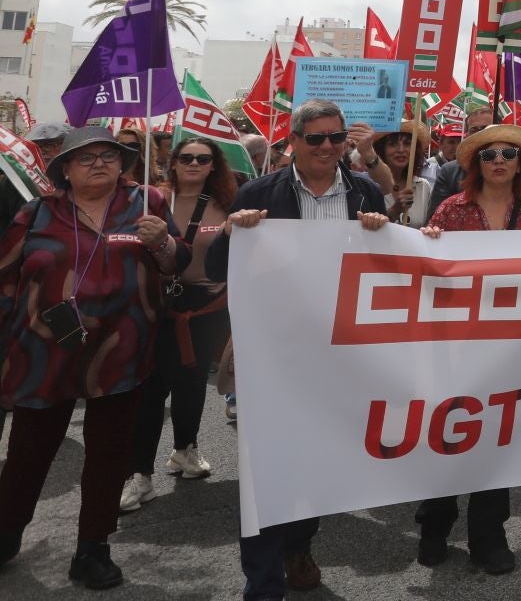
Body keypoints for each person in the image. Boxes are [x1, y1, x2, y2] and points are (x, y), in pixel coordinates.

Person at [208, 100, 392, 601]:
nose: (327, 147)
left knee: (315, 460)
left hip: (340, 354)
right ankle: (262, 581)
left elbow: (390, 268)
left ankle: (298, 545)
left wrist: (383, 234)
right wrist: (231, 231)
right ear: (293, 141)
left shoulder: (365, 192)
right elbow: (219, 268)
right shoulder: (259, 193)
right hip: (275, 354)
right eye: (315, 138)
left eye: (336, 137)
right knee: (266, 466)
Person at [0, 128, 181, 588]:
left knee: (109, 454)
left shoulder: (148, 203)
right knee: (27, 453)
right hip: (44, 353)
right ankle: (6, 532)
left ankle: (93, 548)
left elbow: (174, 264)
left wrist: (162, 242)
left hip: (122, 352)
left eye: (108, 155)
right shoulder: (36, 213)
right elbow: (5, 279)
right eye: (85, 157)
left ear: (122, 165)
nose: (99, 163)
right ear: (65, 169)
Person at [413, 124, 521, 574]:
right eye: (489, 154)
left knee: (496, 435)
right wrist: (426, 241)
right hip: (454, 344)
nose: (498, 161)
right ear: (476, 164)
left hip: (507, 346)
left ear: (520, 165)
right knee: (446, 430)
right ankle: (434, 526)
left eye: (508, 154)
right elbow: (428, 269)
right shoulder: (451, 210)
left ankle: (488, 535)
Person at [125, 137, 237, 514]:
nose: (194, 164)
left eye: (203, 159)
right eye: (186, 157)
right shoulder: (151, 199)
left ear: (213, 165)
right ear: (172, 162)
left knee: (191, 384)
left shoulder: (228, 204)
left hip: (206, 307)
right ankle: (139, 473)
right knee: (150, 387)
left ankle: (185, 449)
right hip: (157, 303)